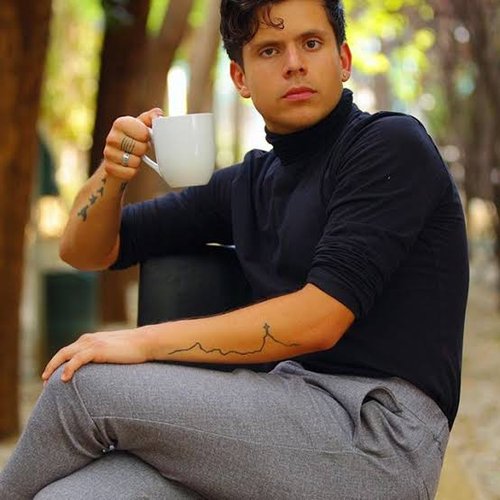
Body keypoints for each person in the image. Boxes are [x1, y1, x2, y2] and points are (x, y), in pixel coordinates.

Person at [0, 0, 469, 498]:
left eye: (311, 43)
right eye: (270, 50)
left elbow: (319, 319)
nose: (294, 63)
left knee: (81, 386)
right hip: (273, 419)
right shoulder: (248, 183)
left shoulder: (389, 145)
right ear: (240, 78)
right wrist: (112, 175)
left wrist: (142, 343)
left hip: (378, 438)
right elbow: (87, 251)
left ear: (344, 59)